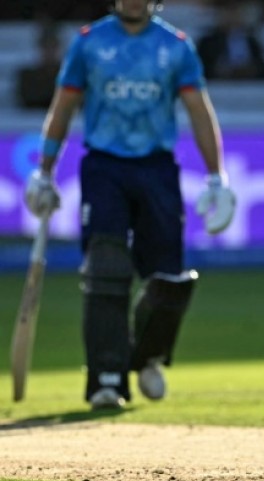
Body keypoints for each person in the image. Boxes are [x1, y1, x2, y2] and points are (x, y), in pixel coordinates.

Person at [24, 0, 237, 410]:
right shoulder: (89, 43)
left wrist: (216, 178)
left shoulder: (176, 46)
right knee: (106, 267)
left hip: (156, 169)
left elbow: (198, 110)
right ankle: (106, 378)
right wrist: (44, 171)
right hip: (105, 168)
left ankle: (147, 356)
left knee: (169, 278)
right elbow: (64, 105)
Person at [196, 1, 264, 81]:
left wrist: (252, 70)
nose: (232, 16)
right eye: (228, 12)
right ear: (219, 15)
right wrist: (222, 72)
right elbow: (199, 70)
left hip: (249, 89)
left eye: (236, 11)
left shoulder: (252, 41)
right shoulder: (207, 42)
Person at [15, 21, 63, 110]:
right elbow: (27, 100)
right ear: (40, 49)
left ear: (58, 49)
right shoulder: (27, 76)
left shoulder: (71, 75)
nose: (50, 52)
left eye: (53, 47)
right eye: (46, 47)